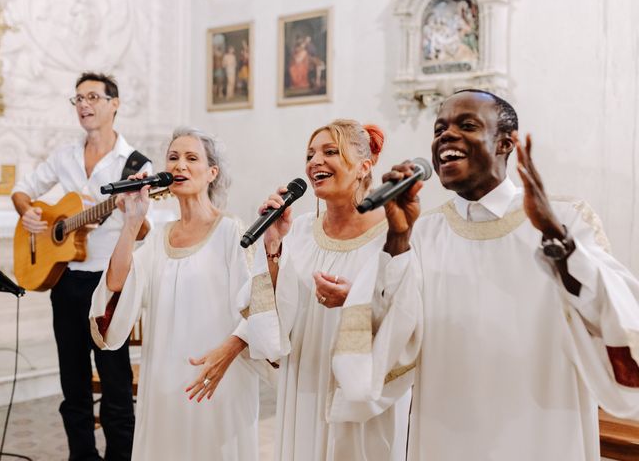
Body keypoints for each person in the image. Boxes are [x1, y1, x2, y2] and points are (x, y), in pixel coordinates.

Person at [332, 90, 639, 461]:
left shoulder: (566, 219)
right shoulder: (422, 232)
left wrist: (555, 236)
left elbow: (614, 316)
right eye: (439, 128)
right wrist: (397, 239)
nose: (446, 135)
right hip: (446, 428)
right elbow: (388, 336)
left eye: (467, 125)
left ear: (505, 142)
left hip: (542, 427)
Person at [89, 127, 262, 461]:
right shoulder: (159, 238)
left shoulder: (231, 230)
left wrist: (226, 355)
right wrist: (131, 221)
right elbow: (117, 285)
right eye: (173, 158)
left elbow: (254, 307)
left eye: (191, 158)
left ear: (212, 173)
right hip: (165, 378)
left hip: (218, 376)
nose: (179, 164)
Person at [244, 119, 412, 460]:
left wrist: (353, 300)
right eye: (310, 154)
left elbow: (408, 313)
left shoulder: (394, 233)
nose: (314, 162)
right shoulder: (300, 231)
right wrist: (273, 247)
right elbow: (277, 315)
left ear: (365, 166)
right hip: (305, 377)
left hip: (361, 386)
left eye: (330, 152)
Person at [11, 72, 149, 461]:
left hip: (110, 286)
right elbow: (22, 191)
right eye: (77, 100)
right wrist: (31, 215)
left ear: (114, 104)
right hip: (67, 283)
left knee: (115, 383)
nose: (84, 105)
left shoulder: (135, 165)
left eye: (92, 97)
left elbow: (146, 230)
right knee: (73, 385)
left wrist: (133, 211)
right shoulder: (65, 155)